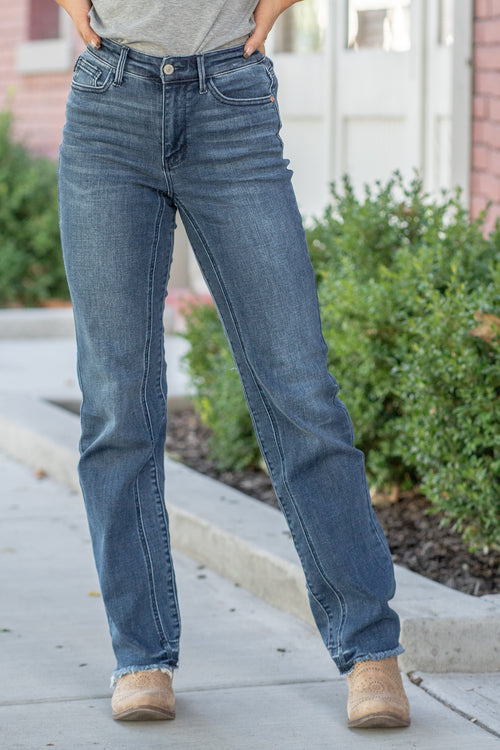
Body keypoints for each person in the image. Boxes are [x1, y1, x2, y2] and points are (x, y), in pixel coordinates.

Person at [56, 0, 410, 729]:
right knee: (117, 403)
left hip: (230, 103)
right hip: (108, 108)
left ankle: (371, 649)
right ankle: (141, 656)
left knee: (301, 391)